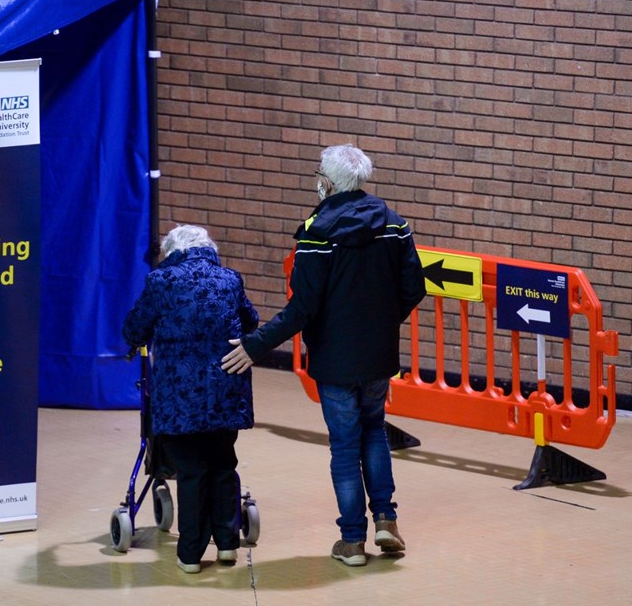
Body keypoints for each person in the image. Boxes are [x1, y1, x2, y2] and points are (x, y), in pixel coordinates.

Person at [221, 144, 426, 566]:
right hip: (378, 355)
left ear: (327, 182)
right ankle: (386, 520)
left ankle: (352, 543)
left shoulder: (316, 234)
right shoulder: (395, 225)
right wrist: (383, 323)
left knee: (345, 446)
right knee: (374, 431)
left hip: (334, 359)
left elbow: (302, 308)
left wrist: (255, 345)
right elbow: (414, 288)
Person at [123, 224, 258, 574]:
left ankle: (191, 553)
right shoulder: (230, 279)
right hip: (226, 389)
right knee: (224, 462)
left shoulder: (161, 282)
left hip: (180, 394)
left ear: (172, 252)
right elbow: (251, 321)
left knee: (192, 470)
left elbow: (135, 328)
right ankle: (228, 545)